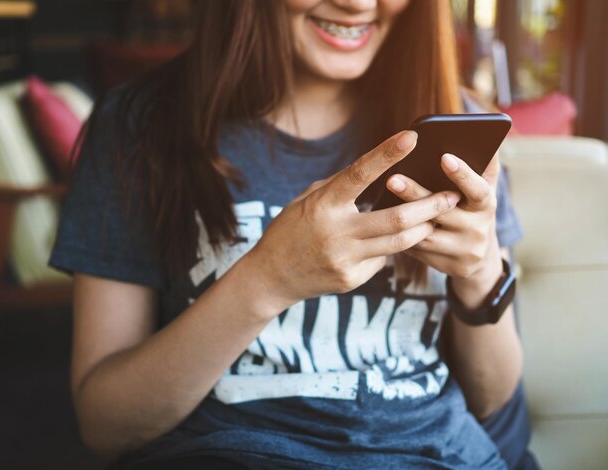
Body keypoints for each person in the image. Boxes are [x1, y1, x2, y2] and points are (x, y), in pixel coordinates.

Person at [50, 1, 538, 468]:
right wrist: (268, 278)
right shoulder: (137, 125)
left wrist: (478, 273)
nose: (357, 3)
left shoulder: (458, 124)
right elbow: (105, 424)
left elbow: (492, 397)